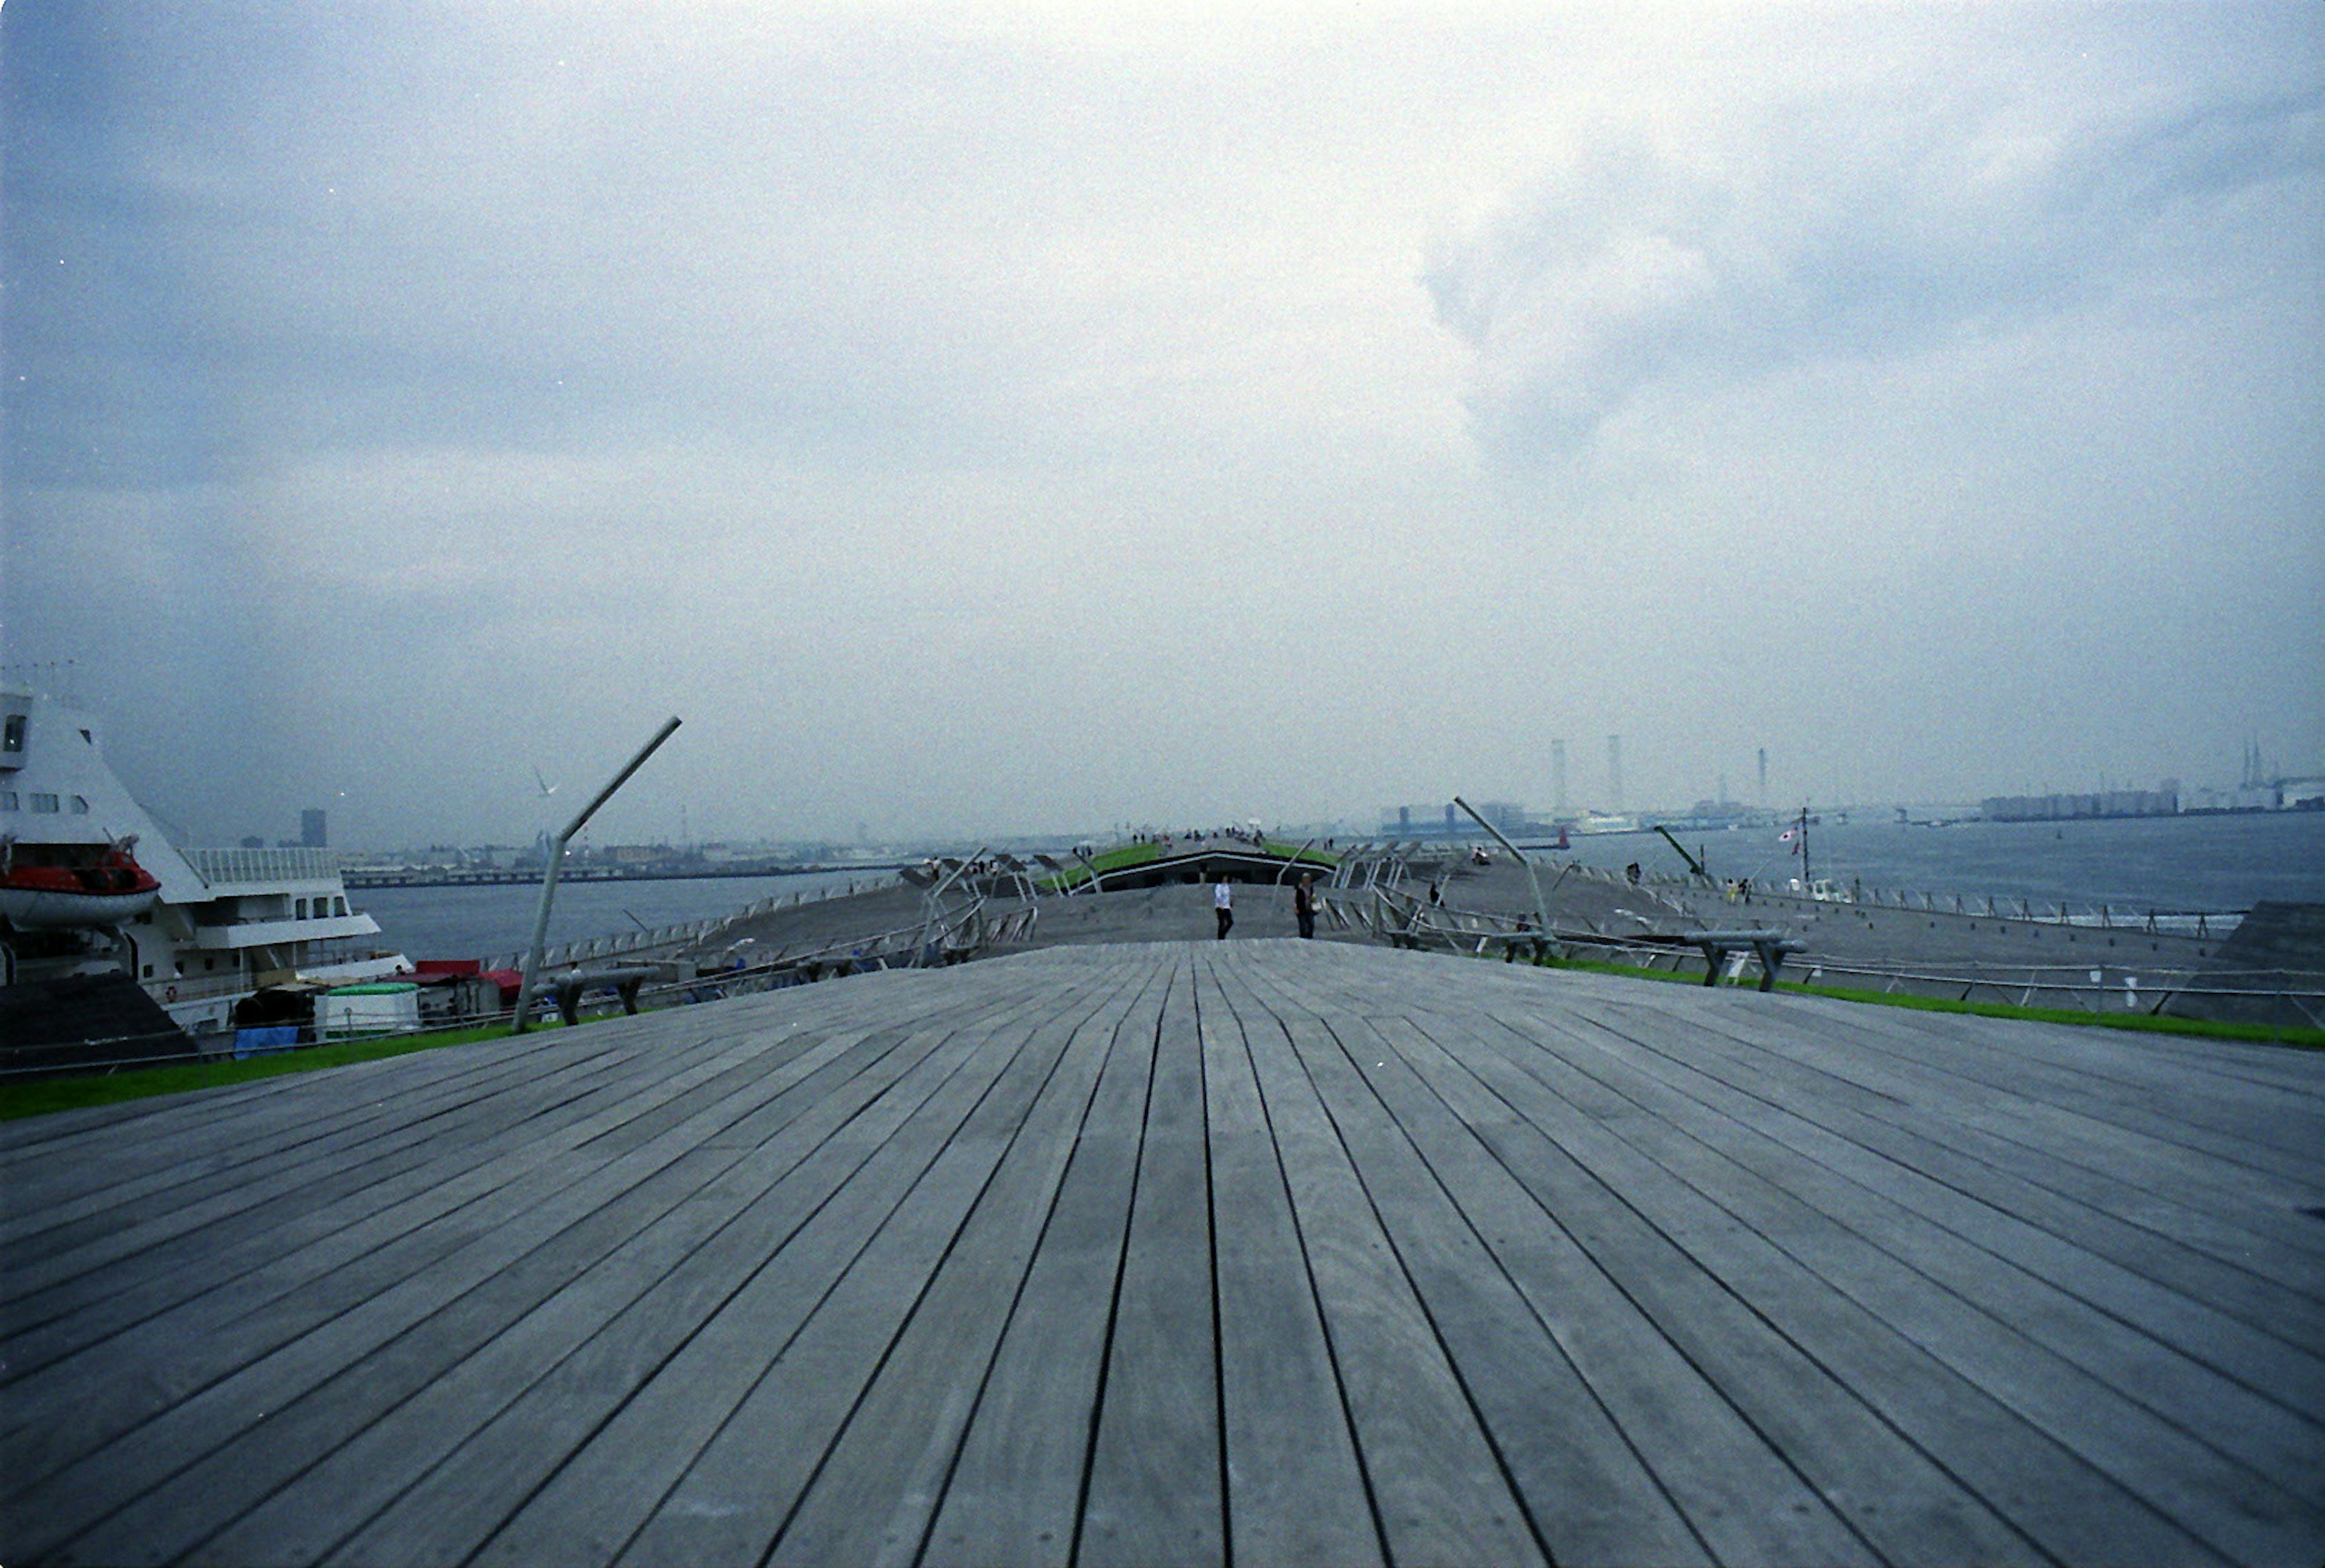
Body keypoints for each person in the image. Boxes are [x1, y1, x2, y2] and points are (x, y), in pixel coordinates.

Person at [1294, 873, 1316, 940]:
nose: (1307, 880)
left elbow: (1313, 897)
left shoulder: (1311, 888)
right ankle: (1303, 937)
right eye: (1305, 879)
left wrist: (1313, 900)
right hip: (1301, 908)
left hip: (1309, 908)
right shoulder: (1299, 889)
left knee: (1311, 923)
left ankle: (1310, 937)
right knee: (1303, 924)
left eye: (1308, 879)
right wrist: (1296, 908)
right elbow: (1295, 899)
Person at [1213, 875, 1234, 940]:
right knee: (1222, 922)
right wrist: (1220, 904)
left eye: (1226, 878)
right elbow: (1218, 896)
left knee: (1230, 922)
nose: (1226, 880)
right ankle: (1221, 938)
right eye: (1225, 878)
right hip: (1220, 907)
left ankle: (1223, 934)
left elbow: (1228, 895)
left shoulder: (1227, 886)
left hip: (1227, 907)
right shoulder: (1219, 886)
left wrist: (1231, 902)